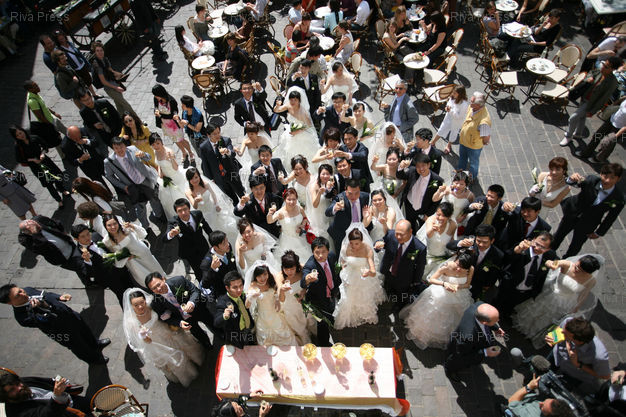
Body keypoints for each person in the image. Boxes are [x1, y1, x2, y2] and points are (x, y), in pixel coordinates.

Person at [0, 284, 110, 364]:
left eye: (20, 290)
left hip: (68, 315)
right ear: (10, 302)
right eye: (17, 295)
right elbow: (44, 322)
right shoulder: (22, 317)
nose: (23, 294)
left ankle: (95, 343)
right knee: (78, 346)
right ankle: (94, 359)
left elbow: (45, 294)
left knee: (84, 329)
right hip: (60, 330)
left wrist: (59, 297)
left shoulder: (28, 290)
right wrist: (42, 307)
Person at [514, 255, 603, 348]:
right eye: (577, 266)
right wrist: (552, 264)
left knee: (548, 319)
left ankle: (535, 332)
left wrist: (576, 308)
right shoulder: (567, 264)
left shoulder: (591, 281)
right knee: (536, 310)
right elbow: (552, 262)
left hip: (565, 303)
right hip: (551, 294)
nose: (577, 270)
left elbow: (583, 295)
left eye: (582, 271)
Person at [123, 288, 203, 386]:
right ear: (131, 305)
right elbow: (144, 342)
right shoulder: (131, 322)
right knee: (174, 359)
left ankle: (196, 360)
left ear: (145, 300)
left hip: (167, 331)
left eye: (142, 302)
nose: (140, 306)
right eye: (136, 305)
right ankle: (189, 374)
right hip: (157, 342)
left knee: (185, 345)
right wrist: (144, 336)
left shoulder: (151, 305)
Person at [401, 251, 474, 349]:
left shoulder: (471, 269)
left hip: (459, 295)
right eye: (457, 265)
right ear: (455, 260)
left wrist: (458, 286)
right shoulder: (446, 267)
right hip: (441, 294)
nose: (458, 269)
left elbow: (467, 284)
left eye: (462, 268)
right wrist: (444, 284)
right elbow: (431, 279)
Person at [552, 163, 624, 257]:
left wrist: (599, 232)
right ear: (601, 174)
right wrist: (572, 179)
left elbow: (611, 217)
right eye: (605, 176)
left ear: (618, 179)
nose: (607, 180)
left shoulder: (618, 198)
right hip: (572, 214)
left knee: (576, 245)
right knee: (558, 236)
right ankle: (548, 254)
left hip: (588, 223)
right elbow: (575, 182)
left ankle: (567, 261)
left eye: (612, 178)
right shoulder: (591, 180)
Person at [103, 137, 165, 229]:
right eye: (116, 148)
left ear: (125, 146)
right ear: (113, 148)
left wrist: (143, 155)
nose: (120, 150)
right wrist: (123, 186)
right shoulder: (109, 161)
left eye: (121, 147)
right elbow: (109, 176)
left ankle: (159, 216)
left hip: (145, 180)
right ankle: (145, 226)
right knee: (140, 208)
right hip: (132, 186)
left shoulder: (132, 149)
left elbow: (149, 157)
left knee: (154, 199)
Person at [560, 57, 622, 148]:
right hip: (584, 97)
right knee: (581, 117)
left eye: (606, 67)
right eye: (603, 64)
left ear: (612, 69)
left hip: (590, 103)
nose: (603, 67)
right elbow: (590, 73)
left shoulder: (612, 82)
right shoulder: (599, 71)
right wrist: (589, 78)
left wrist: (593, 111)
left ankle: (568, 136)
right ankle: (578, 133)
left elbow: (603, 99)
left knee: (573, 118)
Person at [495, 232, 558, 318]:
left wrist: (555, 264)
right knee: (498, 304)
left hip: (526, 291)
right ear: (533, 239)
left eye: (542, 247)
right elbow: (507, 258)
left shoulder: (550, 255)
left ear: (548, 249)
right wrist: (518, 250)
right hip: (510, 285)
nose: (537, 248)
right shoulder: (523, 248)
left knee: (510, 308)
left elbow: (555, 263)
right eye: (536, 244)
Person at [145, 272, 215, 349]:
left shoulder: (178, 281)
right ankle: (207, 344)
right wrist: (179, 323)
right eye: (154, 288)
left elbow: (195, 291)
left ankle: (220, 333)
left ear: (163, 279)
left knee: (210, 321)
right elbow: (164, 318)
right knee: (197, 332)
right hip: (184, 319)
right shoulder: (156, 302)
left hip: (198, 309)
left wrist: (191, 302)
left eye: (158, 285)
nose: (158, 289)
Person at [334, 225, 385, 329]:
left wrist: (368, 272)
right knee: (348, 299)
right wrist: (344, 269)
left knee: (363, 298)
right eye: (351, 243)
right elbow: (343, 261)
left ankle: (364, 315)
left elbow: (373, 272)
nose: (353, 246)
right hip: (349, 277)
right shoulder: (345, 248)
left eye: (356, 243)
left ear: (362, 241)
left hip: (363, 278)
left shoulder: (367, 249)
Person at [71, 224, 134, 306]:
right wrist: (87, 261)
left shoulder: (96, 236)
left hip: (121, 268)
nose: (87, 237)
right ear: (76, 239)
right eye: (83, 236)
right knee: (122, 296)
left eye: (88, 234)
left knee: (132, 287)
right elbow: (87, 273)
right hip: (109, 278)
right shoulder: (77, 256)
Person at [17, 217, 90, 286]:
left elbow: (56, 223)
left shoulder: (38, 219)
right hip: (63, 259)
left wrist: (63, 233)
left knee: (83, 265)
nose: (38, 225)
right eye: (35, 227)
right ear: (29, 232)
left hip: (71, 247)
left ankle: (87, 279)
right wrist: (36, 233)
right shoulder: (25, 240)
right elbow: (41, 247)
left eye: (35, 223)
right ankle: (88, 282)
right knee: (81, 267)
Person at [547, 317, 611, 394]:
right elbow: (559, 329)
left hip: (573, 374)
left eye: (565, 334)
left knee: (556, 390)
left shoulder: (599, 356)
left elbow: (605, 376)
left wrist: (578, 364)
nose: (561, 332)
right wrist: (553, 337)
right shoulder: (568, 322)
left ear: (578, 341)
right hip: (556, 356)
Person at [444, 302, 504, 381]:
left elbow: (488, 318)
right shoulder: (468, 337)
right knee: (457, 360)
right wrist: (485, 352)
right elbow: (462, 355)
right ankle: (449, 369)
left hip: (471, 340)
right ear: (484, 322)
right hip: (464, 348)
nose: (498, 320)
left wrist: (496, 328)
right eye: (495, 320)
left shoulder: (479, 306)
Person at [101, 214, 165, 287]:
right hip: (133, 263)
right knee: (146, 278)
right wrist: (125, 257)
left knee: (156, 270)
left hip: (143, 253)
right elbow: (114, 257)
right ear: (105, 226)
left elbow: (143, 234)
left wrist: (132, 226)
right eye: (109, 225)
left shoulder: (126, 228)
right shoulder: (106, 241)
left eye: (115, 223)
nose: (113, 227)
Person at [375, 219, 427, 309]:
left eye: (402, 234)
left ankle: (398, 306)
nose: (398, 237)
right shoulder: (391, 235)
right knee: (389, 287)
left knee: (401, 295)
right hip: (388, 271)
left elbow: (420, 267)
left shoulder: (419, 248)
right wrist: (377, 244)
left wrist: (416, 282)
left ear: (410, 232)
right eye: (397, 233)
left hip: (404, 277)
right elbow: (382, 242)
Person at [11, 125, 67, 208]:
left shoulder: (34, 138)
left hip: (46, 162)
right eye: (17, 135)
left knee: (57, 177)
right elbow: (19, 159)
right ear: (16, 137)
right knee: (48, 184)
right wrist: (32, 160)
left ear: (23, 130)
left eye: (20, 132)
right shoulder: (18, 146)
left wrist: (42, 153)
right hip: (36, 167)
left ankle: (62, 189)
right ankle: (59, 200)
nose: (20, 135)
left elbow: (45, 146)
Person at [447, 224, 504, 301]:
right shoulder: (469, 242)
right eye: (478, 241)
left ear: (492, 241)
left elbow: (494, 273)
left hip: (477, 285)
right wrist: (460, 243)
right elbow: (449, 245)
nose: (481, 244)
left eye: (485, 242)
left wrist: (487, 286)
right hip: (460, 279)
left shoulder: (498, 255)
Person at [301, 237, 341, 346]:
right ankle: (324, 345)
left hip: (331, 293)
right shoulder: (310, 265)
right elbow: (303, 281)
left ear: (328, 250)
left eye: (323, 252)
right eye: (317, 252)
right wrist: (307, 279)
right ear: (312, 252)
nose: (320, 255)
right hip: (318, 299)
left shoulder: (332, 256)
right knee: (322, 324)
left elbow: (335, 271)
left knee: (330, 313)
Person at [244, 263, 297, 345]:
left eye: (265, 274)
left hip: (275, 312)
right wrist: (251, 296)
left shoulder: (271, 280)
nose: (263, 278)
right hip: (263, 317)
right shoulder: (253, 285)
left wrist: (277, 299)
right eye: (259, 276)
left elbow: (276, 291)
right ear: (255, 276)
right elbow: (247, 306)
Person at [0, 372, 93, 417]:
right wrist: (57, 396)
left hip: (70, 400)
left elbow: (45, 381)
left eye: (17, 384)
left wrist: (59, 382)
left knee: (95, 403)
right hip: (64, 414)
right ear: (6, 397)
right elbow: (47, 414)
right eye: (12, 390)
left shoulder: (24, 381)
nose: (19, 388)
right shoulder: (16, 413)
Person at [185, 167, 238, 245]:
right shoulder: (189, 192)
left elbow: (213, 195)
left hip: (212, 209)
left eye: (196, 177)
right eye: (192, 178)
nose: (195, 180)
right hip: (203, 215)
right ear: (189, 180)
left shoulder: (205, 184)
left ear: (199, 176)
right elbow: (195, 206)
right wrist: (195, 201)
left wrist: (216, 205)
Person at [166, 198, 212, 279]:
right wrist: (170, 234)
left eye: (185, 209)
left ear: (189, 208)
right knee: (198, 271)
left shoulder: (198, 214)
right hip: (189, 252)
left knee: (210, 264)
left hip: (202, 245)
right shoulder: (173, 222)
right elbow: (165, 239)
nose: (183, 213)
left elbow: (206, 227)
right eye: (180, 211)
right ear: (176, 212)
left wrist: (213, 239)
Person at [396, 153, 444, 232]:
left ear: (429, 165)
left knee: (422, 229)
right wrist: (401, 167)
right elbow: (400, 176)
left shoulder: (437, 180)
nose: (421, 169)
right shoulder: (412, 171)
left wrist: (428, 214)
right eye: (418, 166)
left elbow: (437, 201)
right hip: (410, 205)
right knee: (409, 226)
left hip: (423, 209)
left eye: (423, 165)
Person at [199, 124, 245, 204]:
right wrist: (210, 179)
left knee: (241, 193)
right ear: (208, 135)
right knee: (231, 198)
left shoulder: (226, 140)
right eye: (214, 134)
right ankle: (237, 208)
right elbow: (205, 164)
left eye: (218, 132)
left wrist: (227, 151)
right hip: (219, 177)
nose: (218, 135)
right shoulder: (203, 147)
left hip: (231, 173)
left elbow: (233, 153)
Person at [152, 84, 195, 168]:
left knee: (181, 140)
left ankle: (190, 152)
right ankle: (184, 152)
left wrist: (160, 115)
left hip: (174, 125)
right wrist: (156, 110)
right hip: (165, 125)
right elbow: (155, 107)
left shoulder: (171, 101)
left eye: (157, 95)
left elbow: (173, 115)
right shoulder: (156, 99)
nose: (156, 97)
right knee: (175, 140)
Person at [274, 87, 320, 164]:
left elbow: (308, 125)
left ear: (299, 100)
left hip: (302, 132)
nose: (293, 102)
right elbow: (276, 110)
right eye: (291, 100)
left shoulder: (302, 111)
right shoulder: (288, 106)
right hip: (291, 132)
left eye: (295, 100)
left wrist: (297, 131)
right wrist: (277, 105)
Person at [90, 41, 136, 116]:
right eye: (97, 51)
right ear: (95, 52)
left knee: (119, 105)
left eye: (101, 50)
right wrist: (116, 87)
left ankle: (121, 118)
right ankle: (138, 120)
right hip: (110, 88)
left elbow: (110, 70)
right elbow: (103, 81)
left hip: (114, 83)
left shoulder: (105, 59)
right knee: (125, 104)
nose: (100, 52)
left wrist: (120, 75)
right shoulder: (98, 66)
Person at [325, 178, 371, 252]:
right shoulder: (340, 198)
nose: (353, 196)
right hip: (342, 234)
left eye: (356, 193)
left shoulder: (366, 197)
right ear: (345, 190)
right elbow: (327, 212)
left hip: (360, 233)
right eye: (350, 193)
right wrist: (335, 208)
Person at [575, 97, 626, 161]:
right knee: (596, 136)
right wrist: (619, 100)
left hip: (618, 128)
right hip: (611, 120)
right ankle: (586, 153)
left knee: (607, 144)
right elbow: (617, 104)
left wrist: (616, 136)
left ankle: (598, 159)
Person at [149, 133, 187, 219]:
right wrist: (160, 172)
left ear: (161, 142)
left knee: (179, 196)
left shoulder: (168, 152)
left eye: (157, 143)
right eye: (153, 145)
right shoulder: (155, 152)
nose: (156, 146)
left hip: (174, 177)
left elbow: (176, 168)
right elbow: (159, 164)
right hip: (165, 178)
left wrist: (172, 159)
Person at [267, 188, 312, 262]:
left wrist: (302, 226)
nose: (292, 202)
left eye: (294, 199)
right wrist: (270, 213)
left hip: (300, 239)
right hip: (286, 241)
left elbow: (305, 218)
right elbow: (270, 221)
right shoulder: (281, 212)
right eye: (289, 199)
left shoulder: (299, 208)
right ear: (285, 199)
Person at [214, 271, 256, 348]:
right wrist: (224, 316)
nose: (239, 290)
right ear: (227, 288)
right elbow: (216, 323)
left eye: (241, 286)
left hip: (249, 328)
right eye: (235, 287)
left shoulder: (243, 295)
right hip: (237, 335)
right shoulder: (222, 303)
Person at [277, 250, 311, 344]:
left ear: (296, 266)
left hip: (303, 302)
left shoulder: (302, 269)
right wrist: (282, 290)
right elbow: (281, 299)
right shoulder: (280, 277)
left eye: (292, 269)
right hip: (290, 306)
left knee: (311, 322)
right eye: (286, 269)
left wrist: (304, 290)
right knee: (299, 328)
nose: (289, 272)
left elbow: (308, 282)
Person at [457, 91, 491, 182]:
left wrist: (478, 140)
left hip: (473, 147)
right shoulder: (473, 107)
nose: (469, 102)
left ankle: (471, 178)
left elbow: (486, 139)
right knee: (462, 158)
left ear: (478, 105)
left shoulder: (484, 121)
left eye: (472, 102)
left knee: (473, 163)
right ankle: (459, 175)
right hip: (464, 141)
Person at [416, 202, 457, 276]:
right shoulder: (431, 220)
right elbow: (428, 235)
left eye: (444, 216)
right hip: (427, 256)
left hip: (441, 258)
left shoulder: (452, 225)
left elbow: (452, 242)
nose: (440, 218)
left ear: (449, 216)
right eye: (438, 215)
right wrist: (433, 229)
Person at [506, 375, 576, 417]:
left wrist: (529, 387)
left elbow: (512, 401)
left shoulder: (529, 415)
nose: (540, 403)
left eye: (542, 407)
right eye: (544, 401)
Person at [53, 30, 96, 97]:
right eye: (59, 37)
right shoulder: (59, 49)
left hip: (81, 65)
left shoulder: (70, 43)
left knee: (88, 80)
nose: (61, 38)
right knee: (81, 84)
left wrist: (86, 63)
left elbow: (79, 54)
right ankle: (87, 96)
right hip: (74, 70)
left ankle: (94, 94)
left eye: (62, 36)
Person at [430, 85, 469, 155]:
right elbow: (449, 103)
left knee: (453, 133)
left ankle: (449, 145)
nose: (453, 94)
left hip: (456, 121)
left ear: (460, 94)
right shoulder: (452, 98)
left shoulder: (464, 104)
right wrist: (447, 108)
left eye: (455, 93)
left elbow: (459, 116)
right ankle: (433, 142)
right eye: (453, 92)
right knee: (441, 129)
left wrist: (450, 111)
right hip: (448, 118)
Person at [201, 231, 238, 297]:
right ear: (215, 247)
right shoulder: (207, 263)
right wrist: (213, 269)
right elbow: (205, 284)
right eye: (224, 243)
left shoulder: (228, 247)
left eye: (227, 241)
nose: (227, 244)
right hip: (224, 292)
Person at [238, 123, 274, 187]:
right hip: (254, 165)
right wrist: (237, 151)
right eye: (248, 133)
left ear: (256, 133)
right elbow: (240, 154)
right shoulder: (246, 142)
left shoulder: (262, 139)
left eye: (252, 134)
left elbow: (271, 150)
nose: (249, 136)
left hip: (265, 163)